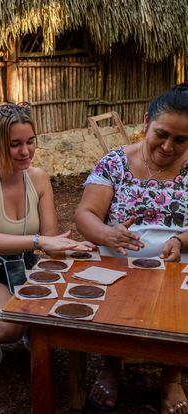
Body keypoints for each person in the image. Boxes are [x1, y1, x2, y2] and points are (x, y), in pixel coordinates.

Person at [75, 84, 188, 413]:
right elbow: (86, 214)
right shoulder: (114, 163)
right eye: (162, 134)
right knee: (113, 297)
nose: (168, 147)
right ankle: (111, 365)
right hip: (119, 262)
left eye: (181, 140)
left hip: (179, 262)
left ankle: (171, 376)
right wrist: (108, 234)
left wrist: (180, 240)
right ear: (145, 123)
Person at [0, 102, 92, 366]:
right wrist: (39, 241)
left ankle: (31, 324)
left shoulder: (39, 178)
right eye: (15, 144)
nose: (25, 151)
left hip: (28, 271)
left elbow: (51, 241)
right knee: (7, 327)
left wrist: (79, 246)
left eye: (30, 141)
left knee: (72, 313)